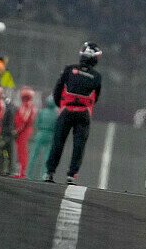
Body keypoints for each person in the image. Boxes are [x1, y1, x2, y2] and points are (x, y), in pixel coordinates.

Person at [44, 42, 102, 184]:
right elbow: (96, 97)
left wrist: (61, 105)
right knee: (79, 146)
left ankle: (49, 173)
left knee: (58, 142)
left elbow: (57, 90)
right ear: (93, 58)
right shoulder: (96, 76)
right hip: (83, 114)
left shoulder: (69, 69)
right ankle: (72, 175)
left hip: (66, 111)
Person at [27, 95, 58, 180]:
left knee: (34, 155)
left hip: (41, 133)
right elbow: (57, 127)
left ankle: (29, 175)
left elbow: (37, 124)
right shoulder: (56, 114)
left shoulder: (42, 112)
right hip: (50, 135)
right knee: (47, 156)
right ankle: (43, 176)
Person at [14, 87, 37, 179]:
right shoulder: (26, 105)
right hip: (22, 131)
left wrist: (17, 130)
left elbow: (25, 120)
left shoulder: (28, 106)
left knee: (22, 152)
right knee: (20, 152)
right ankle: (19, 172)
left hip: (24, 132)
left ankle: (22, 173)